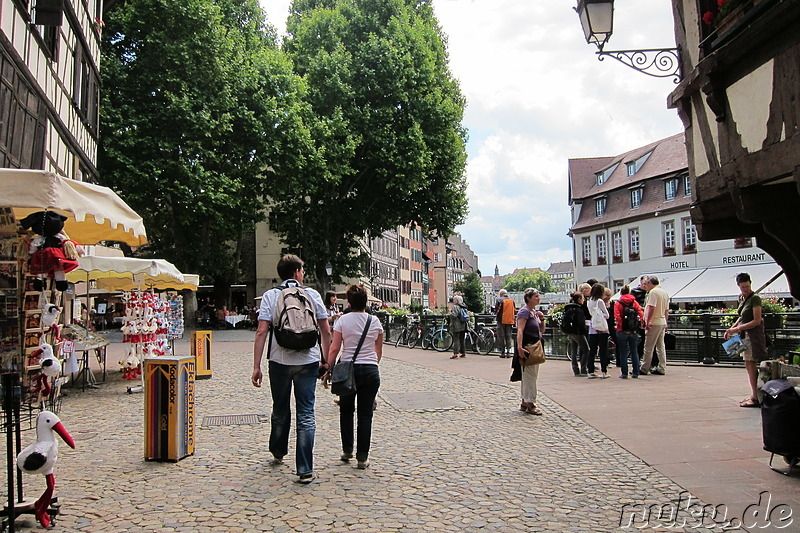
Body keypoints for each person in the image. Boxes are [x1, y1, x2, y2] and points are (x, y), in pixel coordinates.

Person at [252, 254, 332, 484]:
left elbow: (261, 331)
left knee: (280, 407)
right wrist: (325, 360)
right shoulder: (312, 295)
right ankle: (305, 468)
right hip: (308, 360)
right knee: (306, 413)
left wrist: (256, 366)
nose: (303, 273)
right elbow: (325, 330)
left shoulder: (270, 296)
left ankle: (278, 450)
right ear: (296, 272)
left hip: (279, 360)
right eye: (303, 270)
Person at [323, 284, 383, 469]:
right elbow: (378, 351)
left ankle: (347, 449)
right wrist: (371, 364)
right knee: (365, 414)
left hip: (348, 369)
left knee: (346, 410)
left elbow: (334, 348)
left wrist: (328, 368)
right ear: (366, 302)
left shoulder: (342, 321)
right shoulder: (375, 322)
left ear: (349, 302)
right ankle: (362, 457)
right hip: (370, 370)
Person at [724, 272, 767, 407]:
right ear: (738, 286)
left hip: (752, 336)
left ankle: (755, 397)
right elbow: (742, 316)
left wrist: (736, 329)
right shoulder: (743, 298)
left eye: (747, 287)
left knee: (751, 363)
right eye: (743, 287)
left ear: (750, 284)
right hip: (744, 335)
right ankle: (754, 395)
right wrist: (732, 328)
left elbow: (757, 320)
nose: (745, 289)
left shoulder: (755, 299)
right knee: (748, 364)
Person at [516, 288, 546, 415]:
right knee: (530, 376)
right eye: (536, 296)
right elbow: (520, 330)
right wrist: (519, 347)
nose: (538, 298)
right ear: (529, 298)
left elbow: (541, 331)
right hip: (528, 347)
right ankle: (530, 403)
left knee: (529, 375)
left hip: (535, 346)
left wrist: (542, 319)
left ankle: (525, 401)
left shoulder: (533, 312)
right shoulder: (524, 312)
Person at [639, 275, 669, 376]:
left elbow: (651, 307)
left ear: (651, 283)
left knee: (648, 346)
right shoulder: (664, 293)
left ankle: (644, 368)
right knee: (661, 346)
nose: (645, 285)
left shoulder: (653, 292)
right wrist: (666, 322)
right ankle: (662, 367)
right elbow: (666, 310)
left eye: (647, 283)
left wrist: (647, 321)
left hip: (654, 322)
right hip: (662, 321)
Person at [614, 285, 644, 379]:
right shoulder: (634, 302)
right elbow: (640, 313)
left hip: (622, 330)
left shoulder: (618, 303)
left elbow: (617, 316)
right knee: (634, 351)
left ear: (621, 293)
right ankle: (636, 372)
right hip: (634, 330)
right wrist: (640, 324)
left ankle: (624, 373)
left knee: (623, 352)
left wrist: (621, 326)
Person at [587, 283, 610, 379]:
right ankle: (604, 371)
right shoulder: (600, 301)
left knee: (592, 350)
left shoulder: (589, 301)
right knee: (603, 350)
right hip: (602, 328)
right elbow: (607, 315)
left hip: (593, 327)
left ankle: (590, 371)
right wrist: (602, 316)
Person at [563, 291, 589, 376]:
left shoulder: (569, 309)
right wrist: (584, 330)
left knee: (574, 351)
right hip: (578, 332)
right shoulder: (579, 309)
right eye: (582, 298)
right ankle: (584, 369)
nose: (584, 300)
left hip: (570, 332)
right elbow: (581, 322)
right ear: (579, 299)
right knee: (586, 349)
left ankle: (575, 370)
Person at [494, 289, 516, 357]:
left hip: (501, 320)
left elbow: (496, 310)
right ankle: (509, 352)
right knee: (508, 336)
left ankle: (502, 352)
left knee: (501, 336)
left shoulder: (499, 300)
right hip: (510, 320)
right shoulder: (512, 301)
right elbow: (514, 310)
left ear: (501, 294)